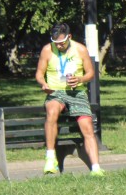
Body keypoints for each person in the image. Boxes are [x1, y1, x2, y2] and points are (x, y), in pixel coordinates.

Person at [34, 23, 104, 176]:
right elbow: (39, 73)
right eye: (55, 43)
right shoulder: (47, 50)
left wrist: (80, 79)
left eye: (62, 42)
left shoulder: (80, 49)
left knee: (87, 126)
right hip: (55, 92)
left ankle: (96, 168)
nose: (59, 46)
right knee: (52, 111)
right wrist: (43, 83)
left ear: (69, 37)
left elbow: (90, 73)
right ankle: (50, 158)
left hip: (76, 93)